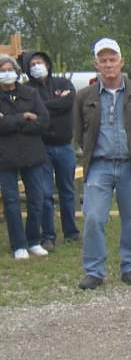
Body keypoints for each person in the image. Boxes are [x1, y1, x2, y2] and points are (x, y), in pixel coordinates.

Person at [74, 39, 131, 288]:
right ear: (96, 64)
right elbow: (79, 132)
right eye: (103, 60)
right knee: (93, 217)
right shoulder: (84, 96)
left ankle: (129, 266)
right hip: (99, 165)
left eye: (112, 59)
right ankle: (94, 271)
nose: (108, 64)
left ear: (121, 62)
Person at [23, 50, 79, 249]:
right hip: (41, 146)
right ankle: (48, 236)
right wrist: (53, 107)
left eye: (39, 62)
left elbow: (68, 102)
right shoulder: (27, 90)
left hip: (65, 146)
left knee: (67, 190)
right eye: (32, 64)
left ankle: (71, 232)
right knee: (45, 194)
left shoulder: (64, 83)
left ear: (47, 64)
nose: (36, 66)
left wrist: (41, 108)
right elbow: (29, 112)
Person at [0, 55, 49, 260]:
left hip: (32, 153)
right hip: (6, 157)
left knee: (36, 199)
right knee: (11, 202)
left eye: (9, 69)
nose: (7, 73)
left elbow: (43, 121)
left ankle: (34, 240)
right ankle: (18, 244)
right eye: (2, 70)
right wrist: (24, 117)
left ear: (17, 72)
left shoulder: (30, 93)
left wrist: (11, 123)